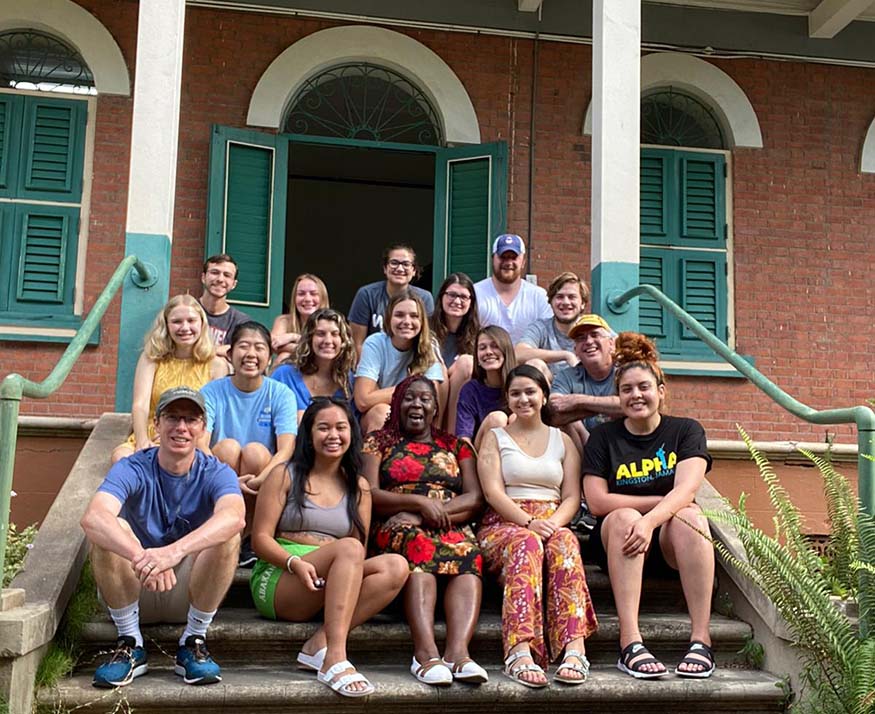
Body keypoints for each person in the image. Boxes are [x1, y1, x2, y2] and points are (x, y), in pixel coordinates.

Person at [81, 387, 244, 688]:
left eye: (191, 419)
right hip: (133, 582)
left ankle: (194, 640)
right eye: (172, 417)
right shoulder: (133, 466)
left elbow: (234, 516)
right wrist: (142, 556)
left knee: (228, 535)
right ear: (157, 424)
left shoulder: (216, 472)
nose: (181, 427)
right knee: (111, 528)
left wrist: (172, 553)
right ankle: (130, 643)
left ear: (203, 428)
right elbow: (93, 517)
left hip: (187, 589)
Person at [250, 398, 409, 697]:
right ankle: (335, 659)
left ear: (352, 433)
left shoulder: (358, 487)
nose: (333, 435)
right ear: (309, 434)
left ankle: (319, 643)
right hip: (280, 577)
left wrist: (310, 541)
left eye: (341, 427)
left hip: (330, 578)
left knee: (395, 566)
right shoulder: (284, 475)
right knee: (347, 548)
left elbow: (357, 549)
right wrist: (296, 561)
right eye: (323, 428)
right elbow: (260, 539)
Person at [583, 333, 716, 680]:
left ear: (660, 390)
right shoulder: (603, 438)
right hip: (618, 540)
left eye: (643, 386)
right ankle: (631, 642)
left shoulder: (686, 431)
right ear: (618, 396)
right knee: (625, 516)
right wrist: (653, 509)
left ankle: (701, 639)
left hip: (668, 542)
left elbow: (687, 489)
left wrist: (652, 521)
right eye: (626, 389)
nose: (636, 395)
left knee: (690, 517)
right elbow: (597, 501)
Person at [477, 365, 598, 688]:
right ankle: (520, 650)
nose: (523, 399)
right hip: (504, 523)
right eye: (515, 393)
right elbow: (492, 492)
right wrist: (529, 523)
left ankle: (574, 648)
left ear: (544, 395)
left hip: (551, 519)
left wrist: (551, 524)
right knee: (526, 543)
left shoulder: (563, 441)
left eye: (530, 391)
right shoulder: (495, 437)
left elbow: (572, 496)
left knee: (566, 542)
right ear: (507, 398)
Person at [363, 376, 487, 686]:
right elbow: (370, 494)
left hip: (448, 520)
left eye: (424, 399)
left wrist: (429, 514)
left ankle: (458, 654)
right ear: (397, 404)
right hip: (395, 522)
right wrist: (418, 503)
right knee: (418, 544)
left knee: (468, 550)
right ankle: (425, 653)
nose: (416, 404)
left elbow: (474, 498)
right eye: (409, 398)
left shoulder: (456, 445)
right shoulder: (378, 441)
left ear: (435, 407)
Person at [199, 322, 298, 565]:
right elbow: (200, 445)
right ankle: (222, 530)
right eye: (243, 347)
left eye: (259, 348)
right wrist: (230, 480)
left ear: (270, 356)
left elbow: (286, 449)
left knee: (255, 452)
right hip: (220, 471)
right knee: (228, 447)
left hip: (261, 477)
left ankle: (250, 538)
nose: (251, 354)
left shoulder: (280, 393)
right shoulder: (211, 391)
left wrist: (260, 478)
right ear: (230, 354)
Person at [111, 295, 229, 464]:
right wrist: (142, 440)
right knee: (121, 458)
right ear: (166, 325)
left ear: (202, 324)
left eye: (191, 321)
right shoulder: (151, 358)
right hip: (155, 433)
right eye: (177, 322)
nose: (185, 327)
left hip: (192, 437)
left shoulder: (216, 365)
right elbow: (140, 404)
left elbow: (212, 415)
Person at [354, 290, 444, 434]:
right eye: (399, 315)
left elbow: (431, 400)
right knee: (382, 412)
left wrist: (380, 394)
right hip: (377, 415)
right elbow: (363, 401)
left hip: (413, 415)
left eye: (414, 316)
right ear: (389, 318)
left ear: (422, 321)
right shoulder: (375, 343)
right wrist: (408, 389)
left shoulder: (429, 345)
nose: (407, 322)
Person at [549, 313, 623, 450]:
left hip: (622, 447)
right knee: (564, 426)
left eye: (595, 335)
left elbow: (630, 404)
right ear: (575, 350)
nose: (588, 341)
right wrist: (609, 407)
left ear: (611, 344)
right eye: (581, 338)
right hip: (582, 448)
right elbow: (554, 412)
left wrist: (578, 401)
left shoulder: (625, 371)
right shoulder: (566, 376)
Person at [348, 243, 435, 357]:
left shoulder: (425, 298)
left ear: (414, 270)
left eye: (406, 264)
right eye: (394, 263)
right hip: (372, 362)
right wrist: (366, 370)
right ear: (385, 268)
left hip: (410, 362)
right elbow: (357, 344)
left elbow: (426, 340)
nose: (399, 268)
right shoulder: (367, 294)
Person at [271, 308, 356, 421]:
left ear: (343, 341)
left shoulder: (349, 381)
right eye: (320, 334)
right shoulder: (284, 375)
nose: (328, 340)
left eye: (335, 334)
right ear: (310, 338)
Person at [473, 234, 551, 343]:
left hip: (527, 359)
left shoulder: (538, 296)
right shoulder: (475, 293)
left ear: (523, 262)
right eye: (503, 257)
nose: (508, 262)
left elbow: (548, 337)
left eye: (513, 257)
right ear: (493, 259)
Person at [515, 272, 589, 378]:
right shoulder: (541, 327)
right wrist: (565, 355)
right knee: (535, 364)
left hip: (585, 388)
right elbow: (518, 353)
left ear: (582, 303)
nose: (566, 302)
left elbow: (614, 346)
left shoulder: (592, 328)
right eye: (559, 297)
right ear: (551, 301)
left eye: (572, 297)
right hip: (550, 390)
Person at [431, 273, 480, 433]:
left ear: (471, 302)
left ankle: (452, 437)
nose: (457, 301)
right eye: (452, 295)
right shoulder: (426, 327)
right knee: (439, 371)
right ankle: (433, 433)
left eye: (464, 297)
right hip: (429, 391)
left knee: (466, 362)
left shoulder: (477, 335)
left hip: (460, 396)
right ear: (442, 297)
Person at [455, 326, 516, 451]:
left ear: (506, 351)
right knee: (497, 419)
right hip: (482, 456)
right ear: (477, 358)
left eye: (495, 346)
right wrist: (469, 470)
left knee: (516, 418)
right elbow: (464, 439)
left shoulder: (519, 384)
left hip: (517, 457)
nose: (488, 352)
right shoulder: (471, 390)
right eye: (482, 348)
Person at [198, 254, 252, 358]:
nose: (220, 279)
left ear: (234, 284)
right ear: (203, 277)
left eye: (227, 275)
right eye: (215, 273)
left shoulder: (241, 321)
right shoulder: (187, 311)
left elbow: (243, 352)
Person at [270, 274, 330, 368]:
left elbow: (325, 352)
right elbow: (272, 344)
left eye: (313, 294)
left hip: (321, 372)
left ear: (323, 297)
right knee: (283, 358)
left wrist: (293, 338)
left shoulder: (331, 324)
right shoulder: (284, 321)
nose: (307, 299)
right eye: (301, 294)